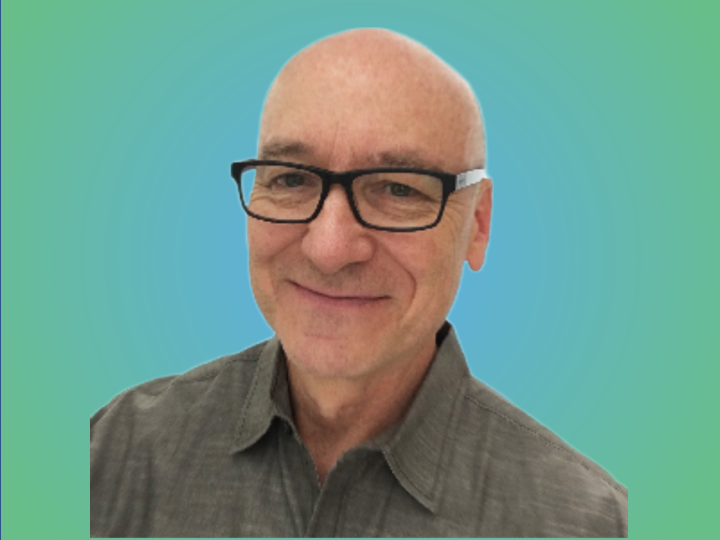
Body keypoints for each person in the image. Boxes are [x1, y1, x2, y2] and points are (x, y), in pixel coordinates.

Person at [90, 29, 628, 537]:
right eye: (291, 179)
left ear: (478, 225)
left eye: (398, 189)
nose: (329, 250)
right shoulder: (114, 454)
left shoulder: (590, 523)